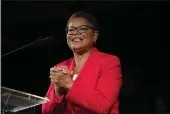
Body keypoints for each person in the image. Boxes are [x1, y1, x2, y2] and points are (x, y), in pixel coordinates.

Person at [42, 11, 122, 114]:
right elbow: (46, 111)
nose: (75, 32)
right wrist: (57, 92)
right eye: (70, 30)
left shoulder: (109, 62)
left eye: (82, 28)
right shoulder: (61, 66)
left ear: (95, 35)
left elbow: (103, 106)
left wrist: (69, 84)